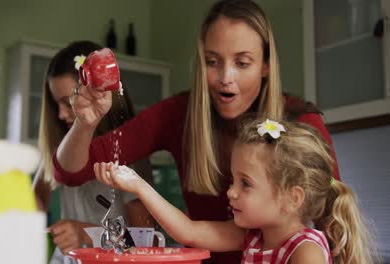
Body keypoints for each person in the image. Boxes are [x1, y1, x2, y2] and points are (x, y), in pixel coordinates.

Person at [53, 1, 340, 262]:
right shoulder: (179, 115)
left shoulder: (301, 125)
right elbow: (71, 172)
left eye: (242, 63)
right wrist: (85, 123)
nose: (226, 79)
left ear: (266, 65)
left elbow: (337, 227)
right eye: (212, 61)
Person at [95, 118, 380, 264]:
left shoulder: (305, 250)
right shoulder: (251, 237)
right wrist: (137, 185)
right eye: (233, 180)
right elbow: (188, 232)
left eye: (246, 183)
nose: (230, 192)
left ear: (292, 198)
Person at [32, 41, 155, 264]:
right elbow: (36, 198)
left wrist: (84, 233)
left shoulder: (127, 156)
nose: (60, 114)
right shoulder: (60, 151)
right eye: (55, 104)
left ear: (100, 97)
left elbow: (144, 244)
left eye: (69, 103)